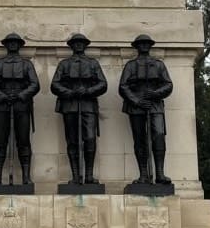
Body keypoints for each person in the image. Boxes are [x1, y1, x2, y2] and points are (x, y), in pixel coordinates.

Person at [50, 33, 107, 185]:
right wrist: (70, 92)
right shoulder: (64, 64)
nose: (79, 45)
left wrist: (88, 91)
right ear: (71, 45)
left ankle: (88, 175)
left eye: (81, 43)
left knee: (89, 139)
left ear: (85, 45)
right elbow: (55, 84)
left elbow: (103, 84)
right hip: (69, 105)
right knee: (73, 141)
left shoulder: (93, 63)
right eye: (76, 43)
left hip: (88, 105)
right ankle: (76, 176)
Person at [0, 33, 40, 186]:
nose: (13, 45)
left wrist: (21, 95)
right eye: (10, 42)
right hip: (2, 105)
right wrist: (1, 96)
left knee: (23, 141)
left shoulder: (27, 64)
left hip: (22, 105)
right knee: (0, 140)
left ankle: (26, 178)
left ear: (20, 45)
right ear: (6, 45)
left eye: (16, 42)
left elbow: (35, 84)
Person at [118, 34, 173, 185]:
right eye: (140, 44)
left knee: (159, 136)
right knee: (140, 140)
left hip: (155, 105)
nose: (143, 46)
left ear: (150, 46)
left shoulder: (159, 64)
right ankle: (144, 174)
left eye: (146, 43)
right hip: (136, 106)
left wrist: (155, 93)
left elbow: (168, 85)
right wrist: (137, 101)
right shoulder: (130, 65)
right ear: (136, 46)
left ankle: (160, 174)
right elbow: (123, 86)